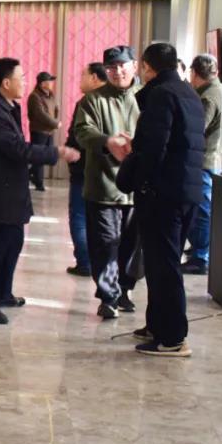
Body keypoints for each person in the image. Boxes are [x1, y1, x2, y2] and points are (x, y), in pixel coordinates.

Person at [113, 43, 204, 357]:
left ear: (148, 67)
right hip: (186, 190)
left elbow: (154, 148)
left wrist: (141, 181)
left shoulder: (161, 95)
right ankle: (157, 325)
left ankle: (173, 338)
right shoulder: (189, 93)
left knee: (164, 267)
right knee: (160, 263)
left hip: (165, 194)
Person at [0, 58, 80, 326]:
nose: (24, 82)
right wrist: (57, 152)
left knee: (12, 243)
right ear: (6, 83)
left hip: (11, 190)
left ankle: (4, 293)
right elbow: (17, 149)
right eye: (20, 78)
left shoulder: (7, 106)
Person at [72, 46, 142, 320]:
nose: (118, 71)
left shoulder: (146, 97)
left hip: (137, 187)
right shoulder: (92, 100)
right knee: (104, 244)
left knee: (131, 244)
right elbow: (82, 131)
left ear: (134, 66)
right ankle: (108, 296)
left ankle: (125, 289)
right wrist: (107, 142)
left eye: (123, 66)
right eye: (111, 67)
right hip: (103, 186)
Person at [182, 54, 222, 275]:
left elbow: (196, 129)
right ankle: (199, 251)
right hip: (213, 160)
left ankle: (200, 257)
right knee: (203, 208)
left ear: (194, 73)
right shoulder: (221, 90)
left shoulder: (208, 97)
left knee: (201, 210)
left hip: (203, 161)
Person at [65, 62, 108, 276]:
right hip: (106, 171)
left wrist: (70, 153)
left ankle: (85, 262)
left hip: (84, 167)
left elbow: (78, 137)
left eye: (83, 75)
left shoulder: (87, 102)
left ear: (94, 77)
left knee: (79, 216)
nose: (80, 79)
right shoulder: (114, 100)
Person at [26, 71, 59, 191]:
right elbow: (40, 114)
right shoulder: (34, 96)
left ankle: (29, 174)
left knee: (46, 157)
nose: (51, 83)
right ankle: (38, 183)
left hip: (49, 131)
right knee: (38, 157)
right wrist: (55, 123)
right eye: (49, 81)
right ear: (42, 84)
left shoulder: (51, 95)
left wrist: (55, 122)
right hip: (39, 131)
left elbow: (56, 109)